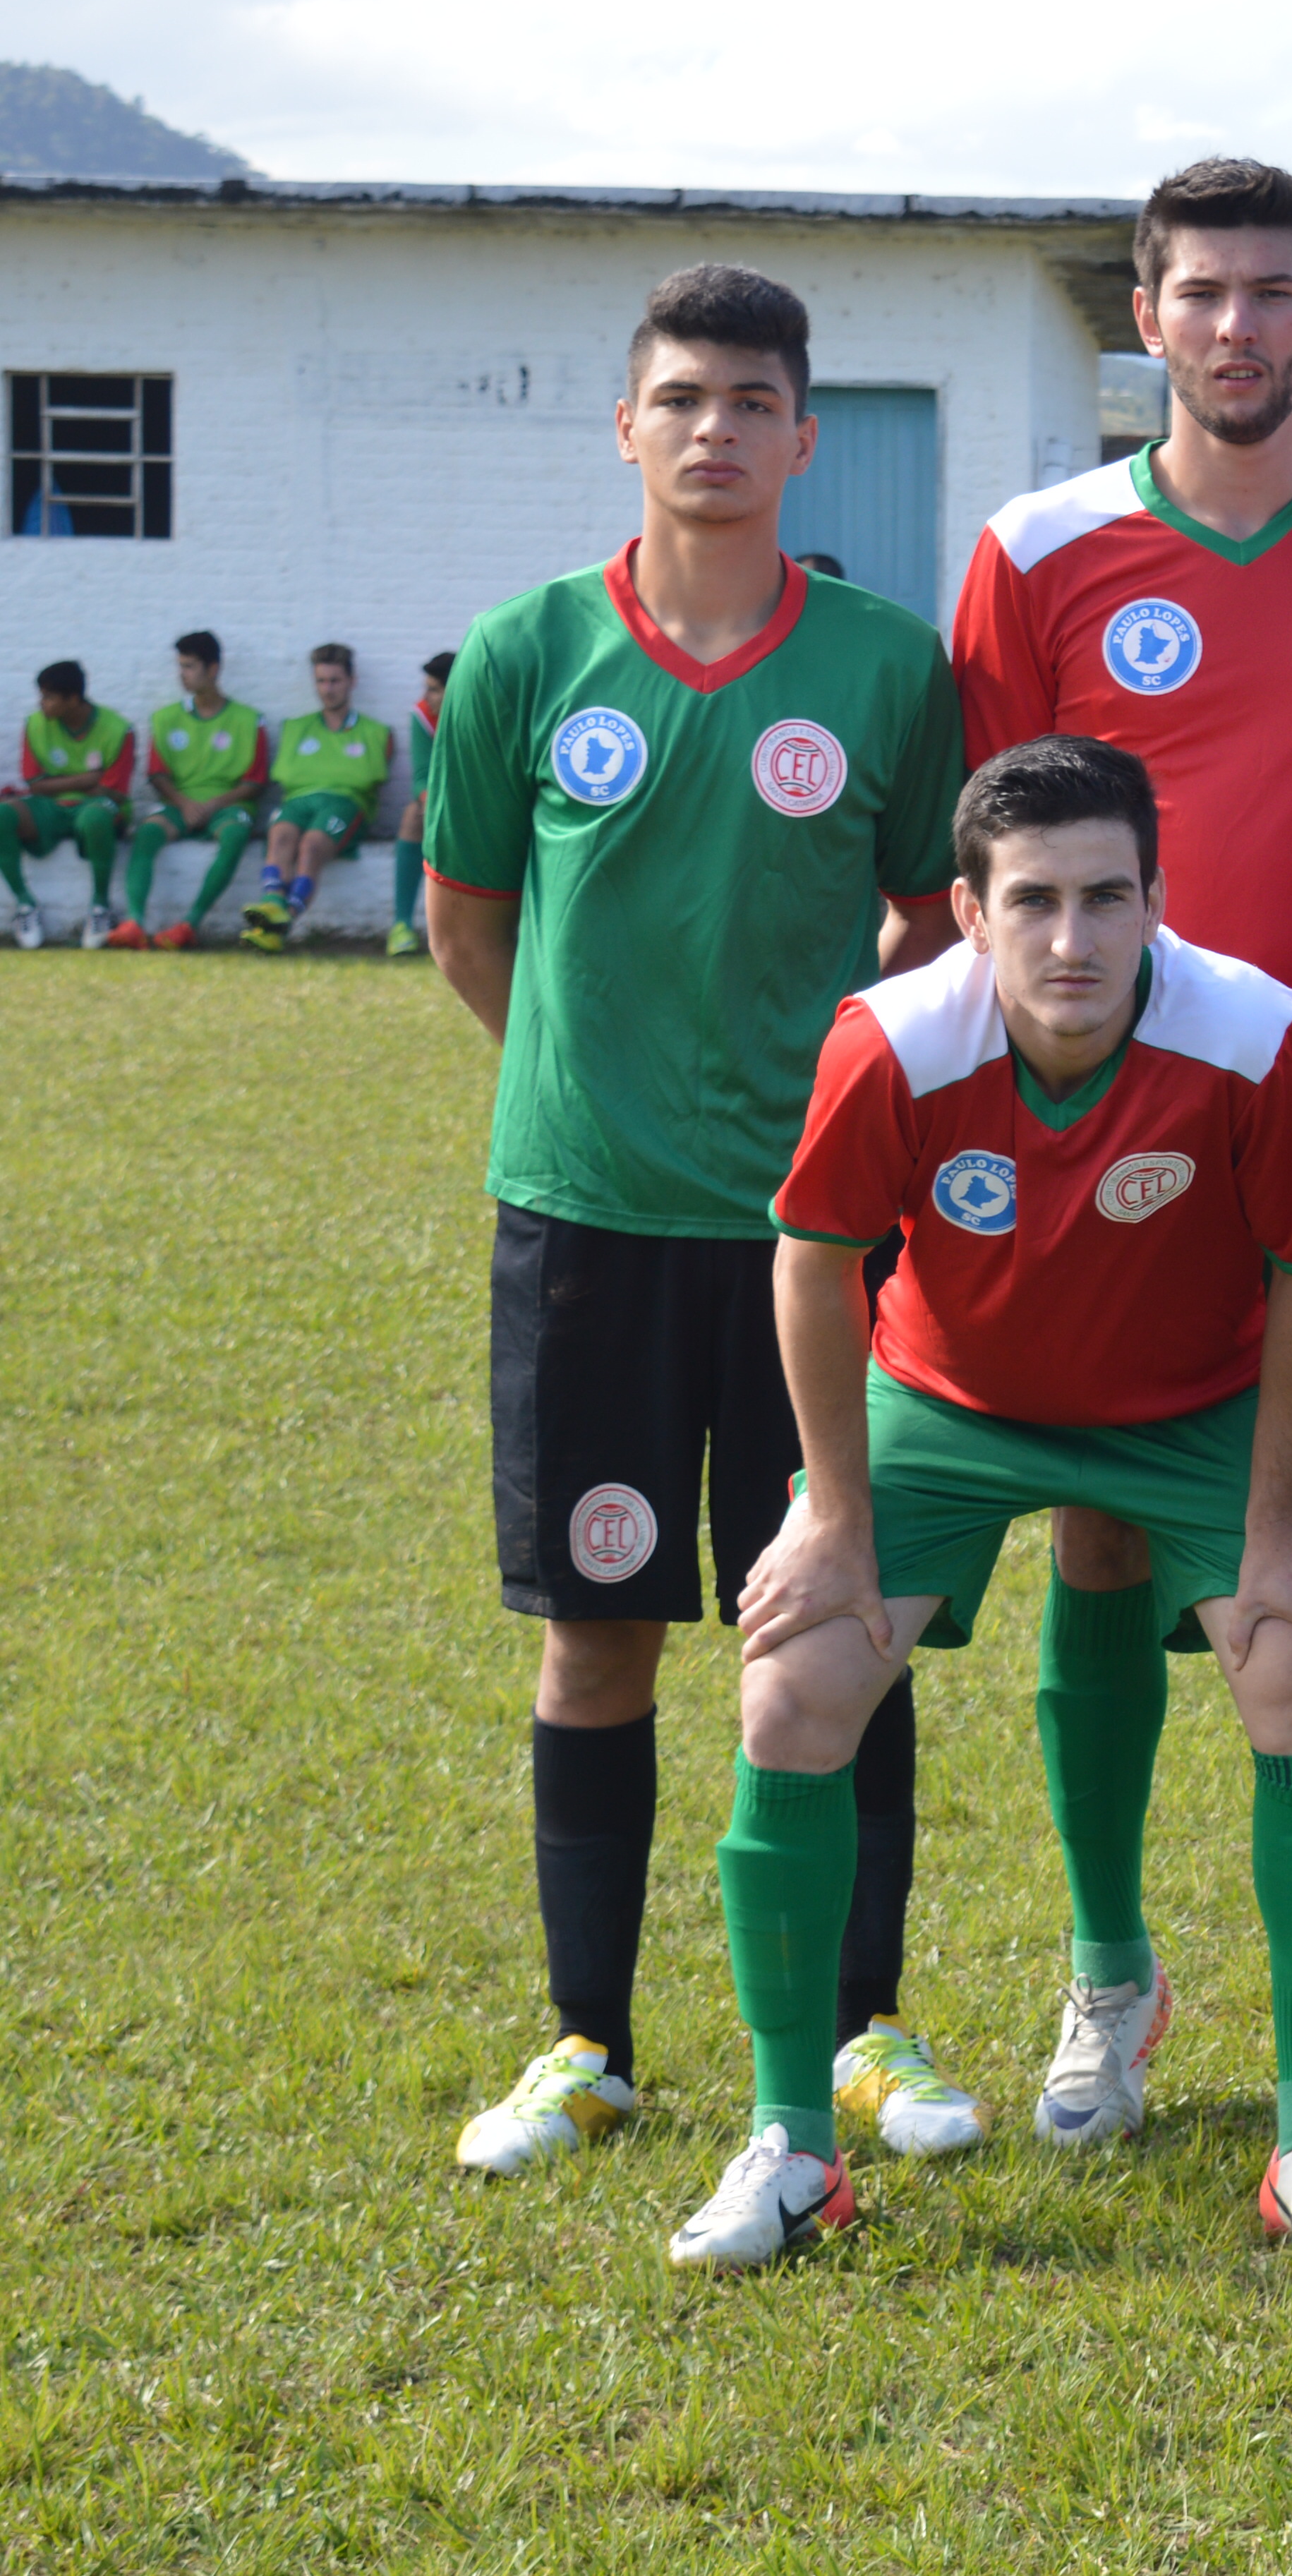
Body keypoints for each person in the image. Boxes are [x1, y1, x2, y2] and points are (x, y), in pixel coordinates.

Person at [423, 262, 985, 2186]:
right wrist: (591, 1088)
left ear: (804, 438)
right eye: (683, 399)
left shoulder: (889, 670)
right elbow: (469, 925)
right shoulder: (521, 659)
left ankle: (859, 2031)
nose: (717, 432)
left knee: (835, 1619)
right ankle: (586, 2041)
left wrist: (804, 1103)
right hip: (584, 1228)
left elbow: (931, 922)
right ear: (628, 427)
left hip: (819, 1245)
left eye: (754, 402)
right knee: (600, 1639)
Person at [689, 734, 1292, 2273]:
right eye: (1033, 903)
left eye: (1105, 898)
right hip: (955, 1402)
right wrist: (832, 1512)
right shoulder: (889, 1040)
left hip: (1191, 1406)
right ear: (968, 909)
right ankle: (791, 2143)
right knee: (795, 1691)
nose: (1071, 940)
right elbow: (814, 1258)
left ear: (1155, 901)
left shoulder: (1254, 1033)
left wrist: (1283, 1522)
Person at [951, 156, 1292, 2154]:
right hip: (1096, 1123)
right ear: (1145, 320)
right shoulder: (1043, 550)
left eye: (1275, 293)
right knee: (1096, 1522)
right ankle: (1108, 1970)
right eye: (1201, 293)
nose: (1238, 328)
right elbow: (985, 882)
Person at [109, 630, 268, 949]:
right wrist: (183, 803)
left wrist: (212, 804)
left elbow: (255, 782)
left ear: (213, 669)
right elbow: (156, 774)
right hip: (180, 805)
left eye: (190, 667)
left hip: (225, 806)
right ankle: (135, 923)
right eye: (180, 667)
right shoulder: (167, 718)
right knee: (146, 834)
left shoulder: (250, 721)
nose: (182, 675)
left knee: (235, 835)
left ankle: (189, 925)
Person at [242, 643, 399, 951]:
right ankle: (272, 906)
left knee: (311, 845)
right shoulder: (297, 727)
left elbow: (366, 778)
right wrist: (339, 771)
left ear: (352, 682)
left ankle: (283, 921)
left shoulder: (375, 732)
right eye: (321, 681)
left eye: (335, 681)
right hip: (300, 800)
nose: (327, 690)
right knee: (281, 834)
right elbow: (287, 776)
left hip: (346, 803)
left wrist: (329, 775)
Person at [11, 660, 134, 949]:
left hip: (98, 806)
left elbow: (114, 791)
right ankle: (25, 906)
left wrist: (63, 784)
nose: (42, 704)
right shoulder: (35, 724)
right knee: (4, 814)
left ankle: (101, 909)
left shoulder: (118, 729)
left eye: (49, 697)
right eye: (41, 696)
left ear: (73, 699)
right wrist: (86, 779)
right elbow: (34, 783)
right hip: (50, 807)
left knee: (96, 817)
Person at [385, 652, 452, 961]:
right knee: (413, 815)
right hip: (444, 800)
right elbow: (421, 777)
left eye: (435, 689)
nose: (427, 696)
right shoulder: (423, 715)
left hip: (482, 801)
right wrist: (433, 804)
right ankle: (402, 926)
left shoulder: (489, 713)